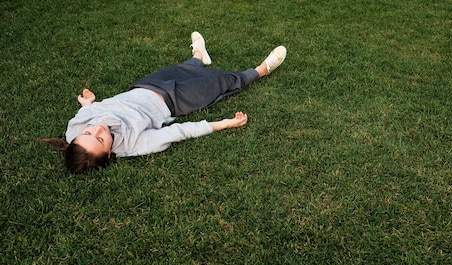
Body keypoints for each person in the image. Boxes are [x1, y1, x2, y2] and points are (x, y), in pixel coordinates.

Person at [41, 32, 287, 173]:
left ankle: (199, 55)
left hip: (144, 86)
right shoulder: (134, 144)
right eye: (100, 139)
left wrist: (89, 104)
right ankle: (261, 69)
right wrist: (223, 123)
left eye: (89, 131)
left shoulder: (74, 128)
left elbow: (89, 115)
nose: (98, 128)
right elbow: (179, 131)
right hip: (175, 100)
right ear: (109, 154)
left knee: (181, 69)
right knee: (221, 83)